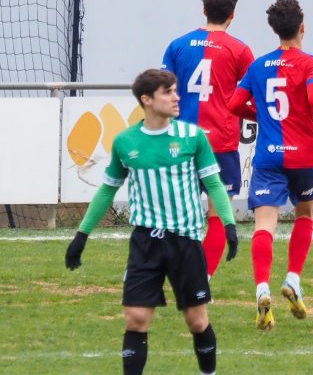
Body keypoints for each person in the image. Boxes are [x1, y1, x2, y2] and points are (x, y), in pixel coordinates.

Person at [65, 69, 239, 375]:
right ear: (147, 100)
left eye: (175, 91)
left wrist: (228, 224)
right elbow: (108, 189)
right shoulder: (124, 142)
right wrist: (82, 235)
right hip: (145, 243)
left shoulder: (192, 137)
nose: (176, 97)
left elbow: (213, 184)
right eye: (168, 92)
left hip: (185, 241)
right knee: (135, 318)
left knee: (197, 320)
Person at [228, 0, 313, 331]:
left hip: (268, 155)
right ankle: (293, 279)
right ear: (302, 28)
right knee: (304, 214)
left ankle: (262, 287)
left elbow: (235, 104)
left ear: (275, 31)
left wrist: (261, 116)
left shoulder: (259, 66)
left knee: (265, 225)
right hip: (302, 154)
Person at [161, 0, 254, 280]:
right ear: (233, 15)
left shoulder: (177, 46)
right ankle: (202, 279)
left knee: (179, 214)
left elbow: (163, 92)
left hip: (181, 140)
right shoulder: (239, 50)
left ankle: (173, 271)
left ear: (203, 10)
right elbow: (251, 95)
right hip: (221, 142)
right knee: (217, 213)